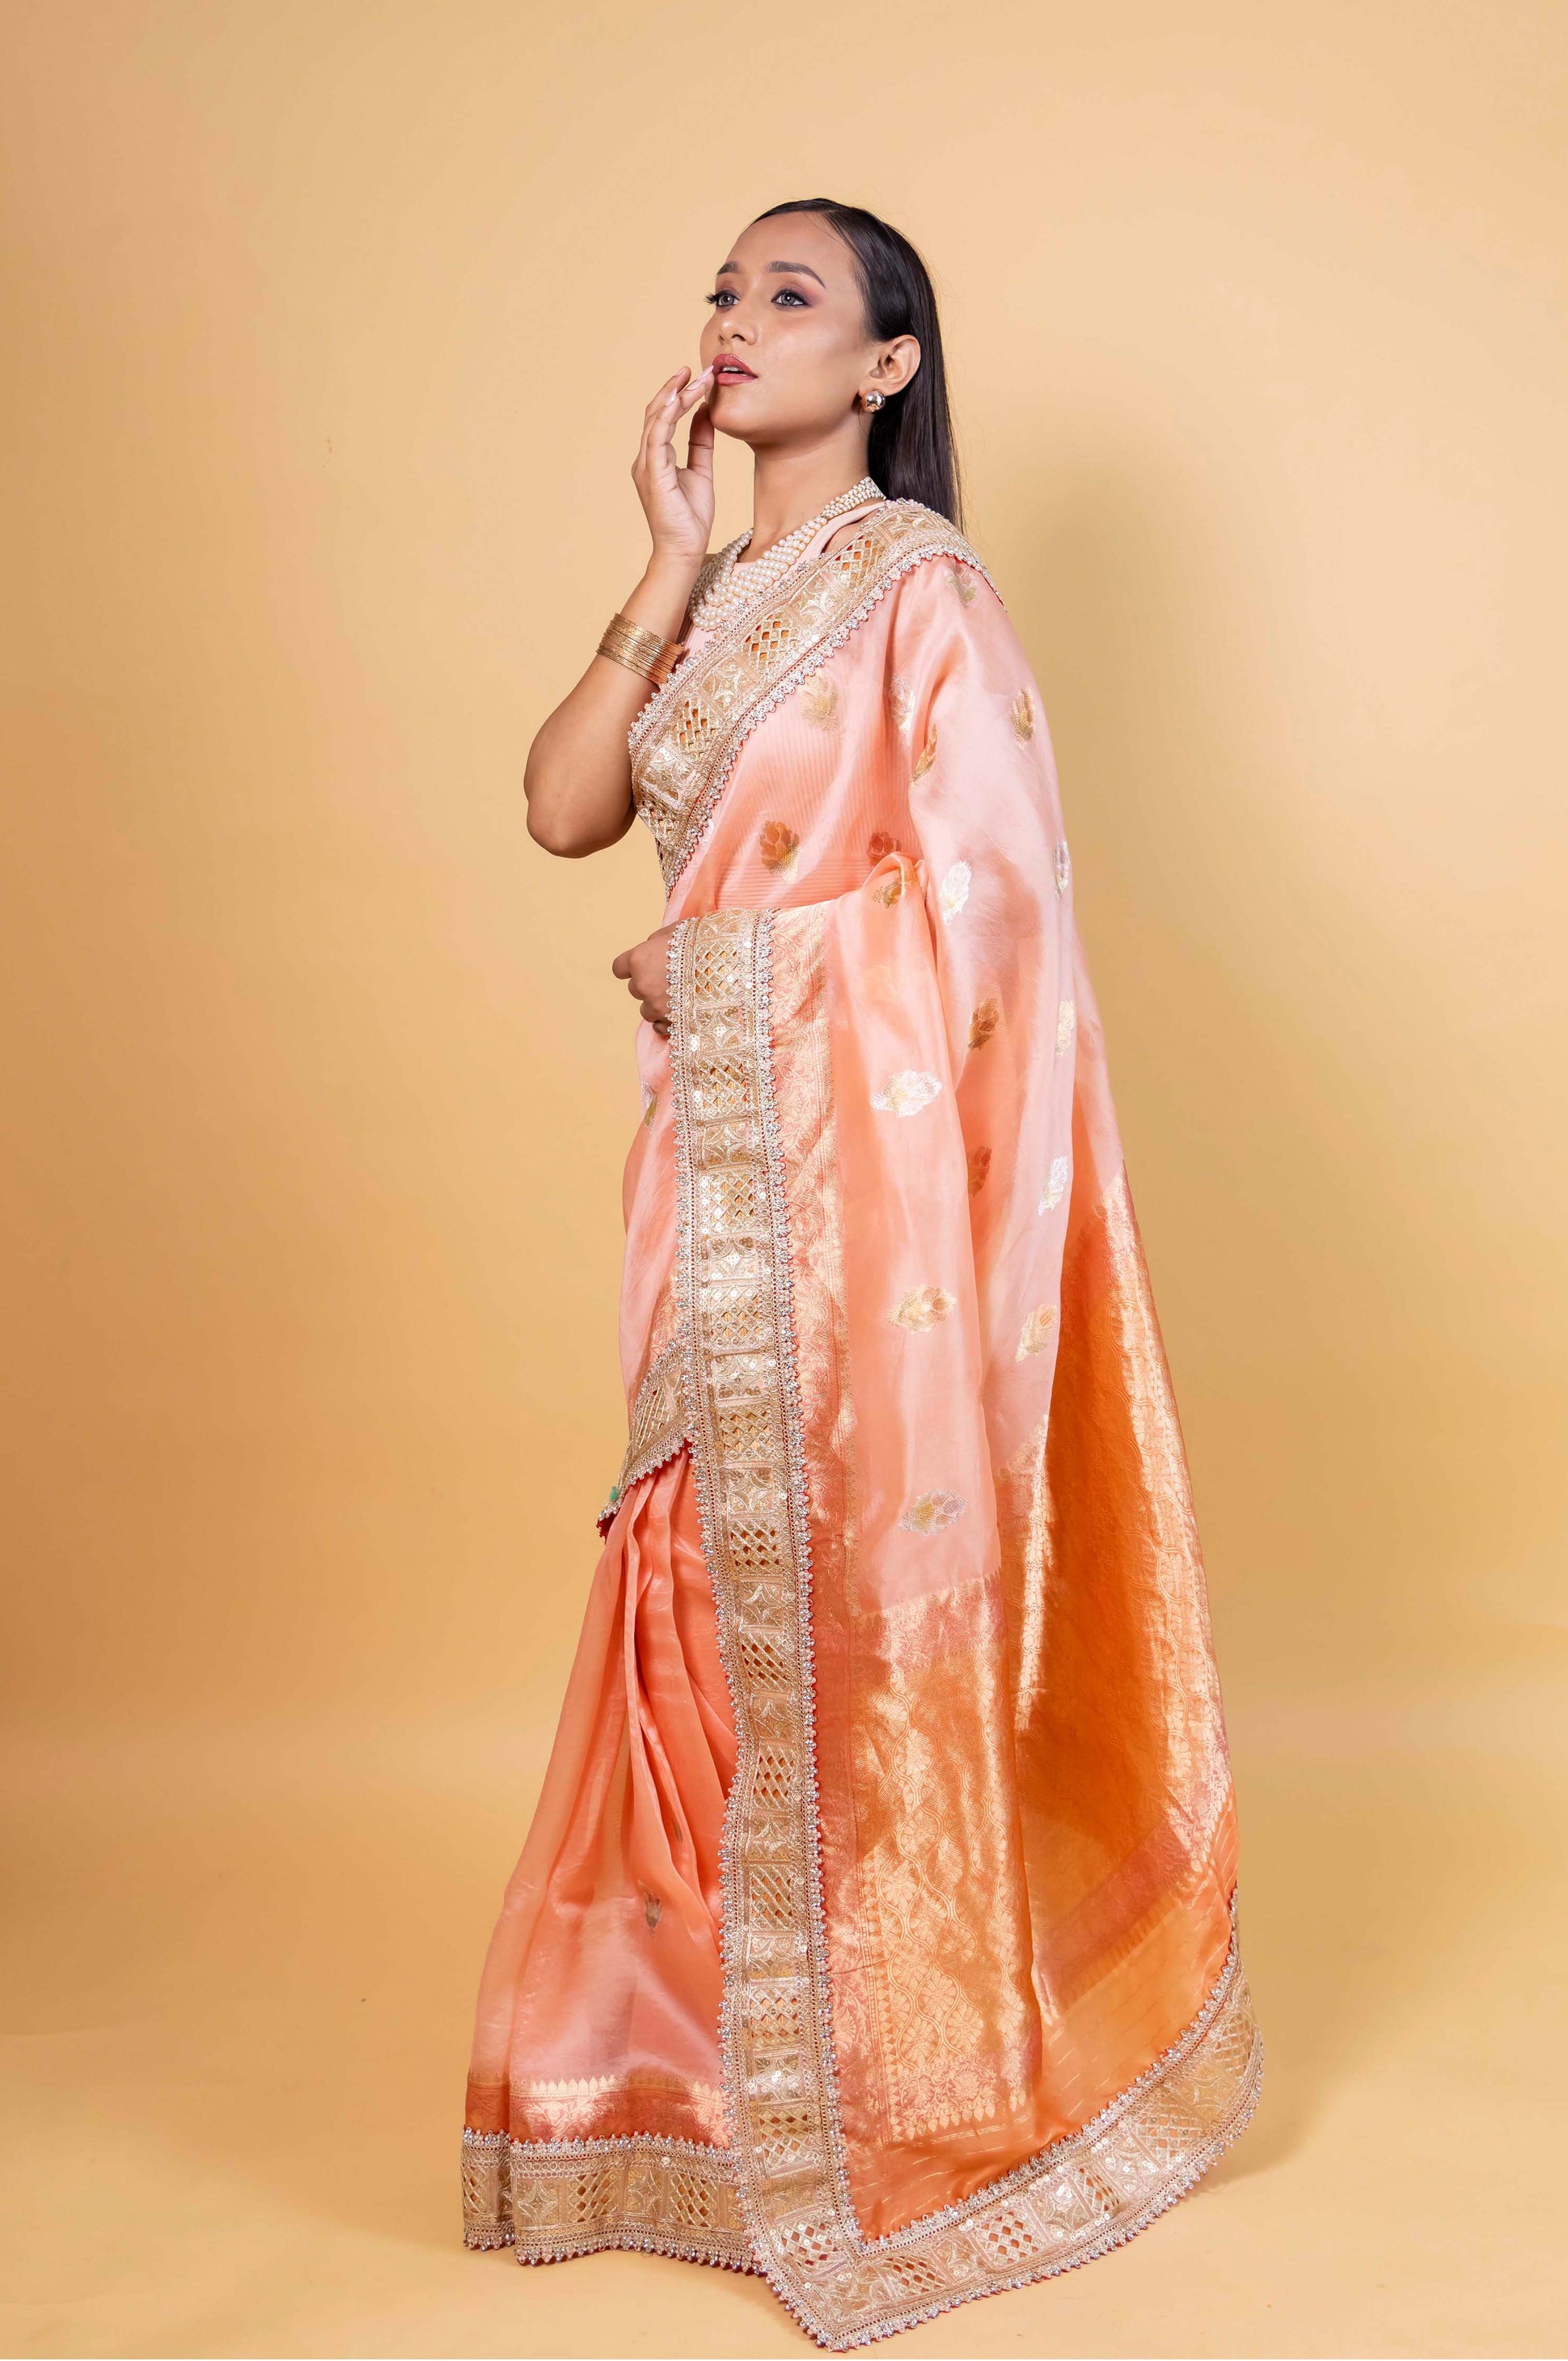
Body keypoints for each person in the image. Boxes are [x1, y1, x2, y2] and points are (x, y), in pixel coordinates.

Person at [461, 198, 1261, 2350]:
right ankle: (697, 2090)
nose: (735, 322)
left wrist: (732, 967)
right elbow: (560, 808)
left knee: (847, 1591)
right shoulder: (728, 596)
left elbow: (989, 909)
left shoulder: (921, 593)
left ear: (887, 367)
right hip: (715, 1160)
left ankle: (885, 2084)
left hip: (850, 1180)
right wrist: (660, 558)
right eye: (722, 291)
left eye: (788, 295)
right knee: (688, 1571)